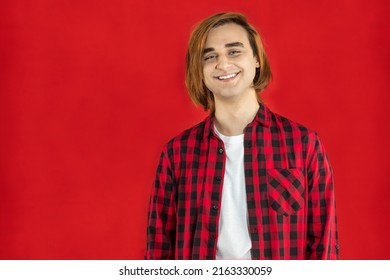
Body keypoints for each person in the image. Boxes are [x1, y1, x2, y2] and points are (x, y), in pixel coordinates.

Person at [145, 12, 339, 260]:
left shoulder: (303, 145)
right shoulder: (177, 154)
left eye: (234, 51)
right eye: (210, 56)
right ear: (200, 70)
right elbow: (159, 249)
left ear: (257, 59)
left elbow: (324, 243)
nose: (223, 64)